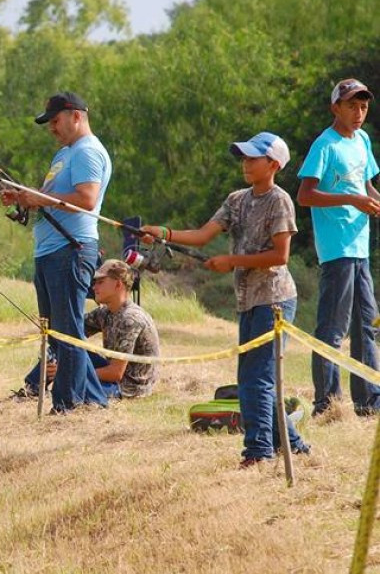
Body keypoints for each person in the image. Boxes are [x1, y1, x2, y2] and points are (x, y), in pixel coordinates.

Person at [143, 131, 310, 467]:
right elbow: (203, 236)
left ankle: (258, 452)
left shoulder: (280, 201)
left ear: (273, 164)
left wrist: (231, 261)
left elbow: (280, 256)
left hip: (274, 302)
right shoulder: (236, 200)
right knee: (256, 376)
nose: (245, 164)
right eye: (244, 158)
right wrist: (164, 233)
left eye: (253, 158)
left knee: (256, 379)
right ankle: (294, 446)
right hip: (248, 300)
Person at [0, 92, 111, 413]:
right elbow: (54, 198)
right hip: (50, 250)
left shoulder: (88, 152)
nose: (51, 127)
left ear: (75, 116)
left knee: (68, 331)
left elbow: (87, 199)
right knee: (54, 330)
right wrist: (25, 198)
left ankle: (68, 405)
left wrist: (39, 199)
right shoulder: (66, 154)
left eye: (55, 120)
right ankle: (91, 399)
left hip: (70, 250)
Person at [296, 78, 380, 417]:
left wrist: (373, 200)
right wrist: (350, 199)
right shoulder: (324, 146)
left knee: (367, 326)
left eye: (363, 106)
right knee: (332, 328)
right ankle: (326, 404)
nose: (359, 112)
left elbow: (367, 186)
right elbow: (305, 195)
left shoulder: (361, 140)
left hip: (360, 247)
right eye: (351, 106)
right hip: (337, 249)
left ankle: (369, 400)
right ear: (336, 108)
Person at [21, 259, 159, 399]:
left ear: (118, 284)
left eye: (100, 282)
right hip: (111, 378)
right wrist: (53, 328)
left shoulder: (130, 319)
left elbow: (116, 373)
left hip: (126, 387)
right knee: (62, 345)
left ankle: (46, 390)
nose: (94, 287)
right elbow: (69, 333)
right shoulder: (105, 313)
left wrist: (66, 372)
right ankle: (32, 389)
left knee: (72, 387)